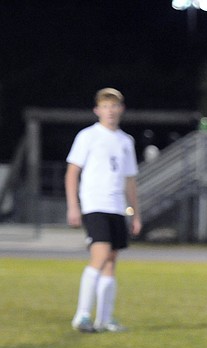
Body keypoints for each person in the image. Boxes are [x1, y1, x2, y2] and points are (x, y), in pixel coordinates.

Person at [65, 87, 141, 333]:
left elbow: (130, 180)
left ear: (121, 109)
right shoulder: (88, 136)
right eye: (105, 106)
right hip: (95, 204)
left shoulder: (125, 141)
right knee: (100, 255)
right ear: (97, 110)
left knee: (110, 261)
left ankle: (104, 318)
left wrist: (134, 213)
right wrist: (74, 206)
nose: (110, 111)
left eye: (114, 106)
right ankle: (83, 315)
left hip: (117, 207)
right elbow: (72, 172)